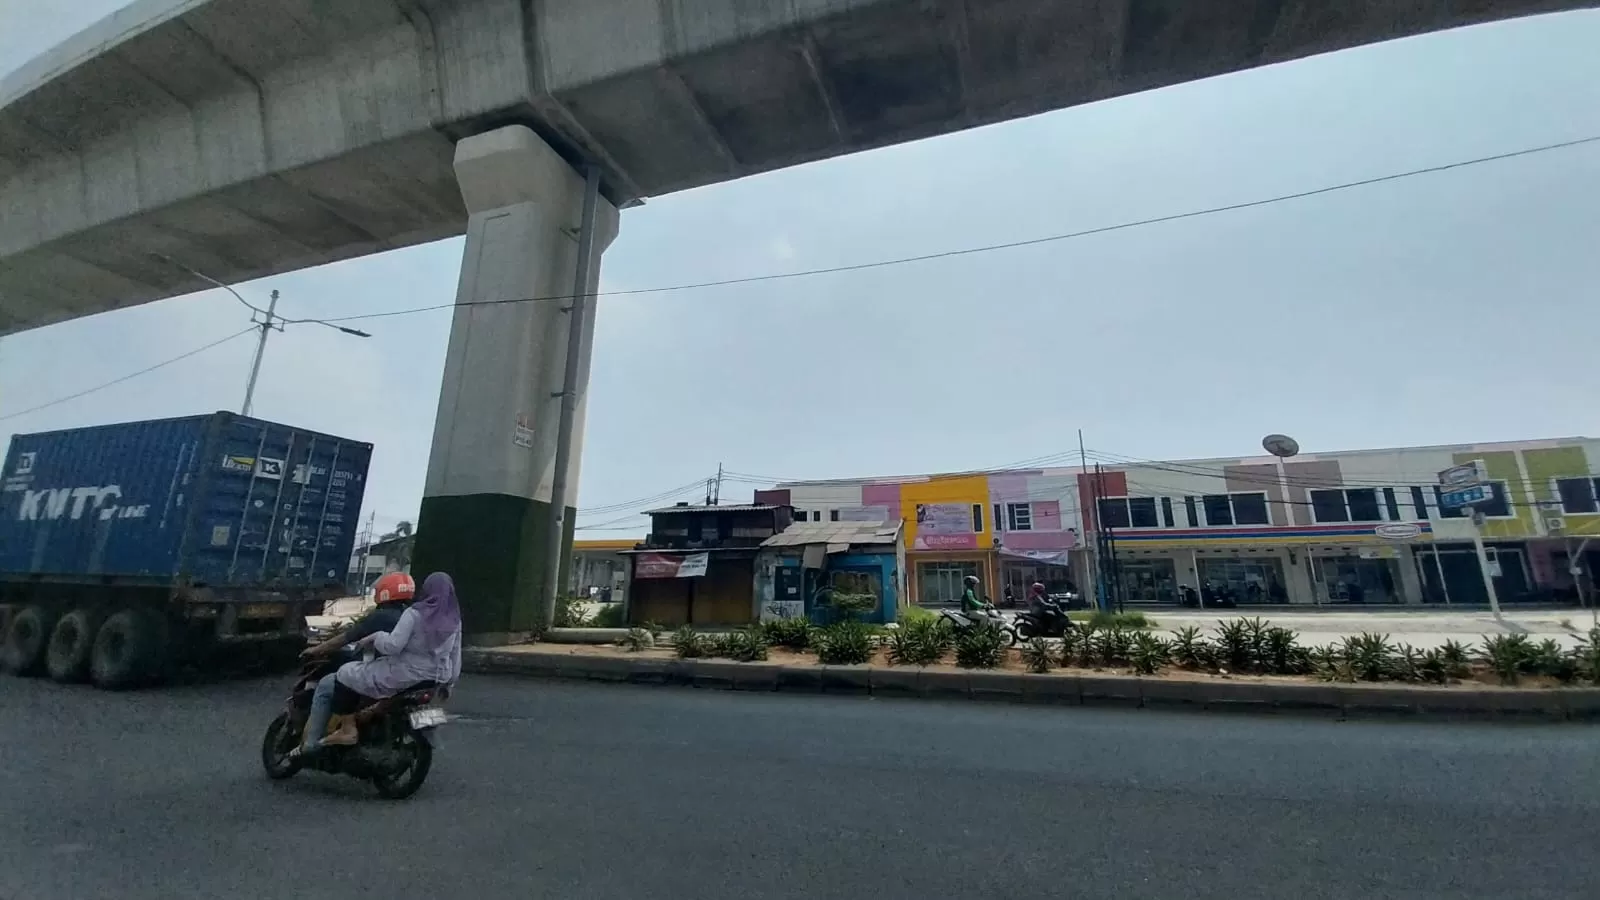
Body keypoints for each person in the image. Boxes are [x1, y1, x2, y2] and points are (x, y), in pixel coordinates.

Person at [318, 571, 463, 747]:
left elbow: (393, 646)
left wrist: (376, 637)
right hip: (437, 678)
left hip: (405, 673)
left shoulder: (414, 614)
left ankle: (348, 729)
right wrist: (449, 684)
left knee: (345, 672)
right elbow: (455, 657)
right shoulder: (455, 621)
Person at [295, 572, 414, 752]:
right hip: (411, 676)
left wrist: (316, 650)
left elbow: (345, 638)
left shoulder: (380, 616)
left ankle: (311, 744)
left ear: (384, 592)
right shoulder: (413, 616)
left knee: (327, 685)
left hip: (382, 675)